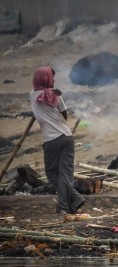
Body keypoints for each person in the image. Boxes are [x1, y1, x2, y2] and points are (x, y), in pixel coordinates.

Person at [30, 67, 85, 216]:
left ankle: (64, 205)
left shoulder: (33, 95)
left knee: (52, 172)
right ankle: (73, 200)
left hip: (52, 139)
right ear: (45, 79)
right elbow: (64, 115)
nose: (53, 80)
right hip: (67, 137)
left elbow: (39, 110)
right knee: (65, 173)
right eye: (51, 78)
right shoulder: (56, 95)